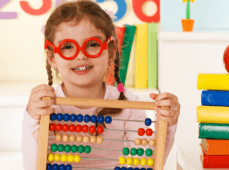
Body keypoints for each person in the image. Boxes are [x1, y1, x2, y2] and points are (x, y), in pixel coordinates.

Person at [21, 1, 180, 170]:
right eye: (68, 46)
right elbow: (32, 166)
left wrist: (167, 124)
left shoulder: (128, 104)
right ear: (52, 58)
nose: (81, 55)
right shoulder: (46, 106)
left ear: (111, 53)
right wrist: (32, 118)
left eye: (92, 44)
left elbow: (149, 163)